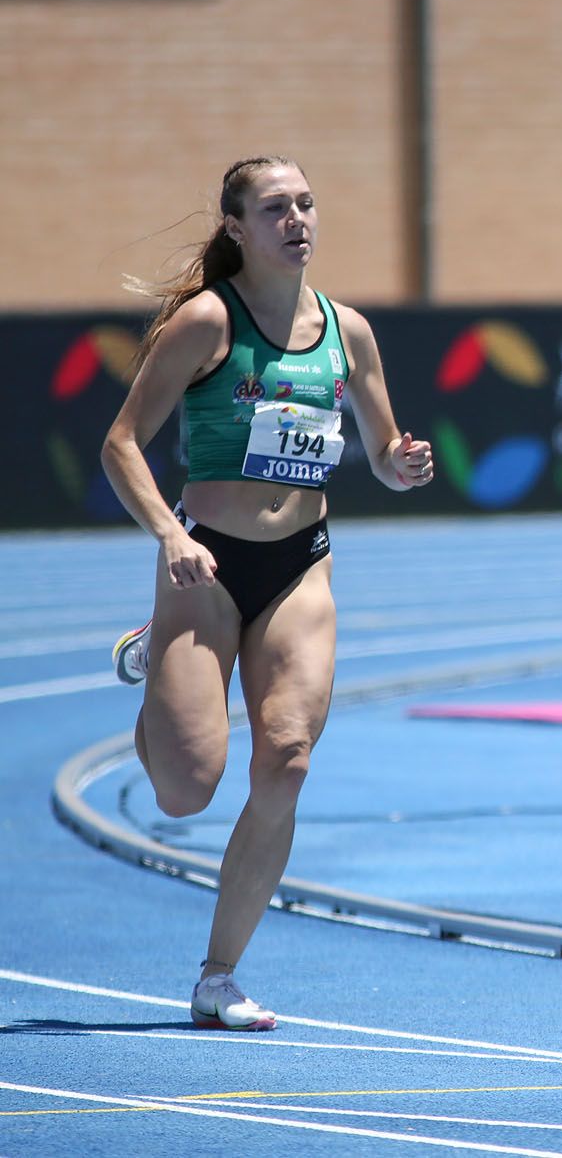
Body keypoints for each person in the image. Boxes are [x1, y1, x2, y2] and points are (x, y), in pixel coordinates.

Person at [100, 156, 433, 1030]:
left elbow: (387, 446)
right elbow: (121, 444)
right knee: (184, 788)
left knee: (285, 758)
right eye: (276, 207)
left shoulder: (348, 330)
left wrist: (400, 464)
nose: (298, 219)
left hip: (299, 565)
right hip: (204, 566)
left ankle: (219, 974)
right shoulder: (208, 322)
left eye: (308, 203)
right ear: (238, 229)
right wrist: (170, 536)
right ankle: (159, 676)